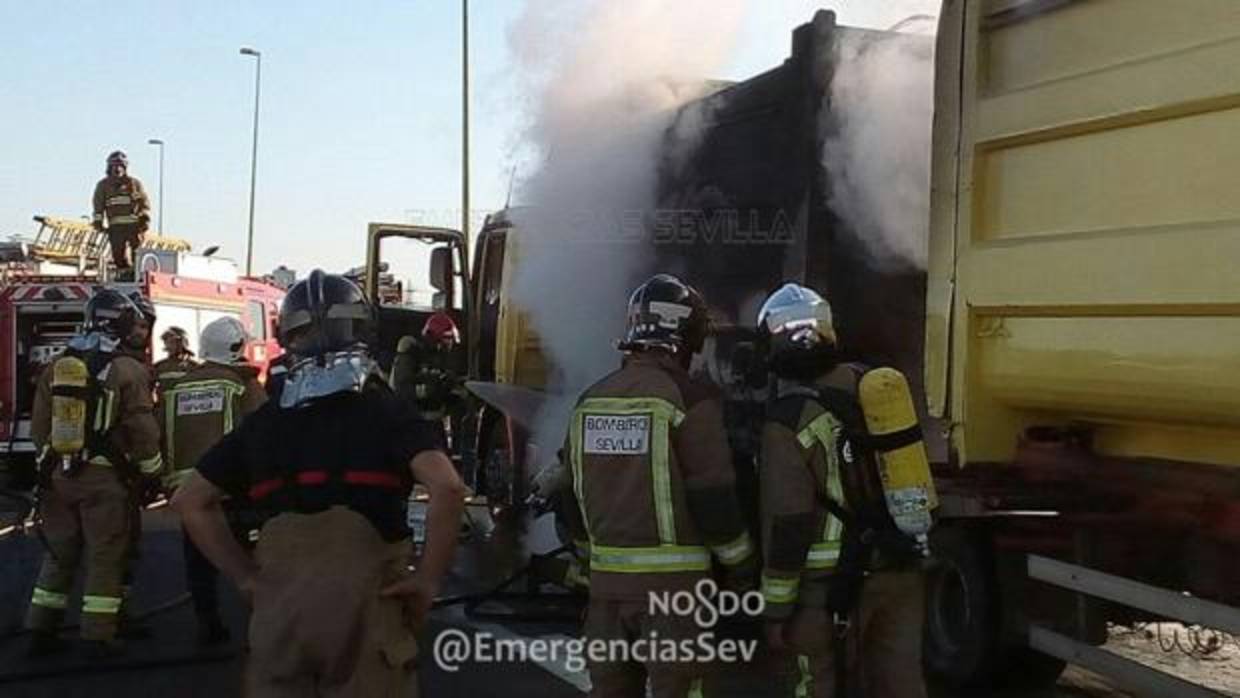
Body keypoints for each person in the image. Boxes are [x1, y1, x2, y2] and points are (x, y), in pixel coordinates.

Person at [173, 270, 466, 696]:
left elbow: (191, 501)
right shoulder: (384, 411)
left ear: (287, 336)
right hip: (365, 612)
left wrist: (244, 577)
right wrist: (427, 578)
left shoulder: (266, 422)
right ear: (363, 327)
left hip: (281, 611)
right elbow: (448, 487)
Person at [563, 273, 756, 698]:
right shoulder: (690, 398)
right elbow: (713, 495)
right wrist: (742, 564)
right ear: (686, 338)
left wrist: (588, 560)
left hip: (606, 594)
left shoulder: (591, 400)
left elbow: (569, 494)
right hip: (675, 598)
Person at [756, 283, 928, 698]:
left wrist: (776, 610)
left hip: (830, 589)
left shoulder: (786, 421)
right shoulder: (873, 386)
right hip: (900, 570)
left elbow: (790, 520)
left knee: (817, 684)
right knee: (899, 684)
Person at [25, 289, 163, 658]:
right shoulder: (127, 369)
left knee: (59, 552)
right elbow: (143, 430)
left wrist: (48, 467)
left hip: (58, 477)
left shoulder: (57, 366)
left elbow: (40, 427)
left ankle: (40, 629)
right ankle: (98, 636)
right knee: (106, 554)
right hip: (105, 482)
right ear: (120, 324)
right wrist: (152, 472)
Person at [159, 317, 266, 645]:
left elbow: (160, 432)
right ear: (235, 348)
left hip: (188, 490)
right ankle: (260, 628)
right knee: (252, 558)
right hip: (234, 489)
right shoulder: (242, 384)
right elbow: (263, 432)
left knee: (199, 559)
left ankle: (208, 622)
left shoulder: (176, 386)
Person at [92, 151, 151, 280]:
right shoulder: (103, 186)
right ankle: (125, 274)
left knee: (138, 252)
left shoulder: (134, 184)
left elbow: (144, 202)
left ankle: (137, 274)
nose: (117, 169)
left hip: (134, 226)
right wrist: (98, 222)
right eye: (114, 166)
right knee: (118, 254)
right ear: (109, 167)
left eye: (120, 166)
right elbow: (98, 205)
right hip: (116, 227)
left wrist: (144, 218)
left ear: (125, 167)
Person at [153, 326, 198, 392]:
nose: (170, 345)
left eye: (173, 342)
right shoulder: (159, 367)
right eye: (168, 341)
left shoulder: (194, 366)